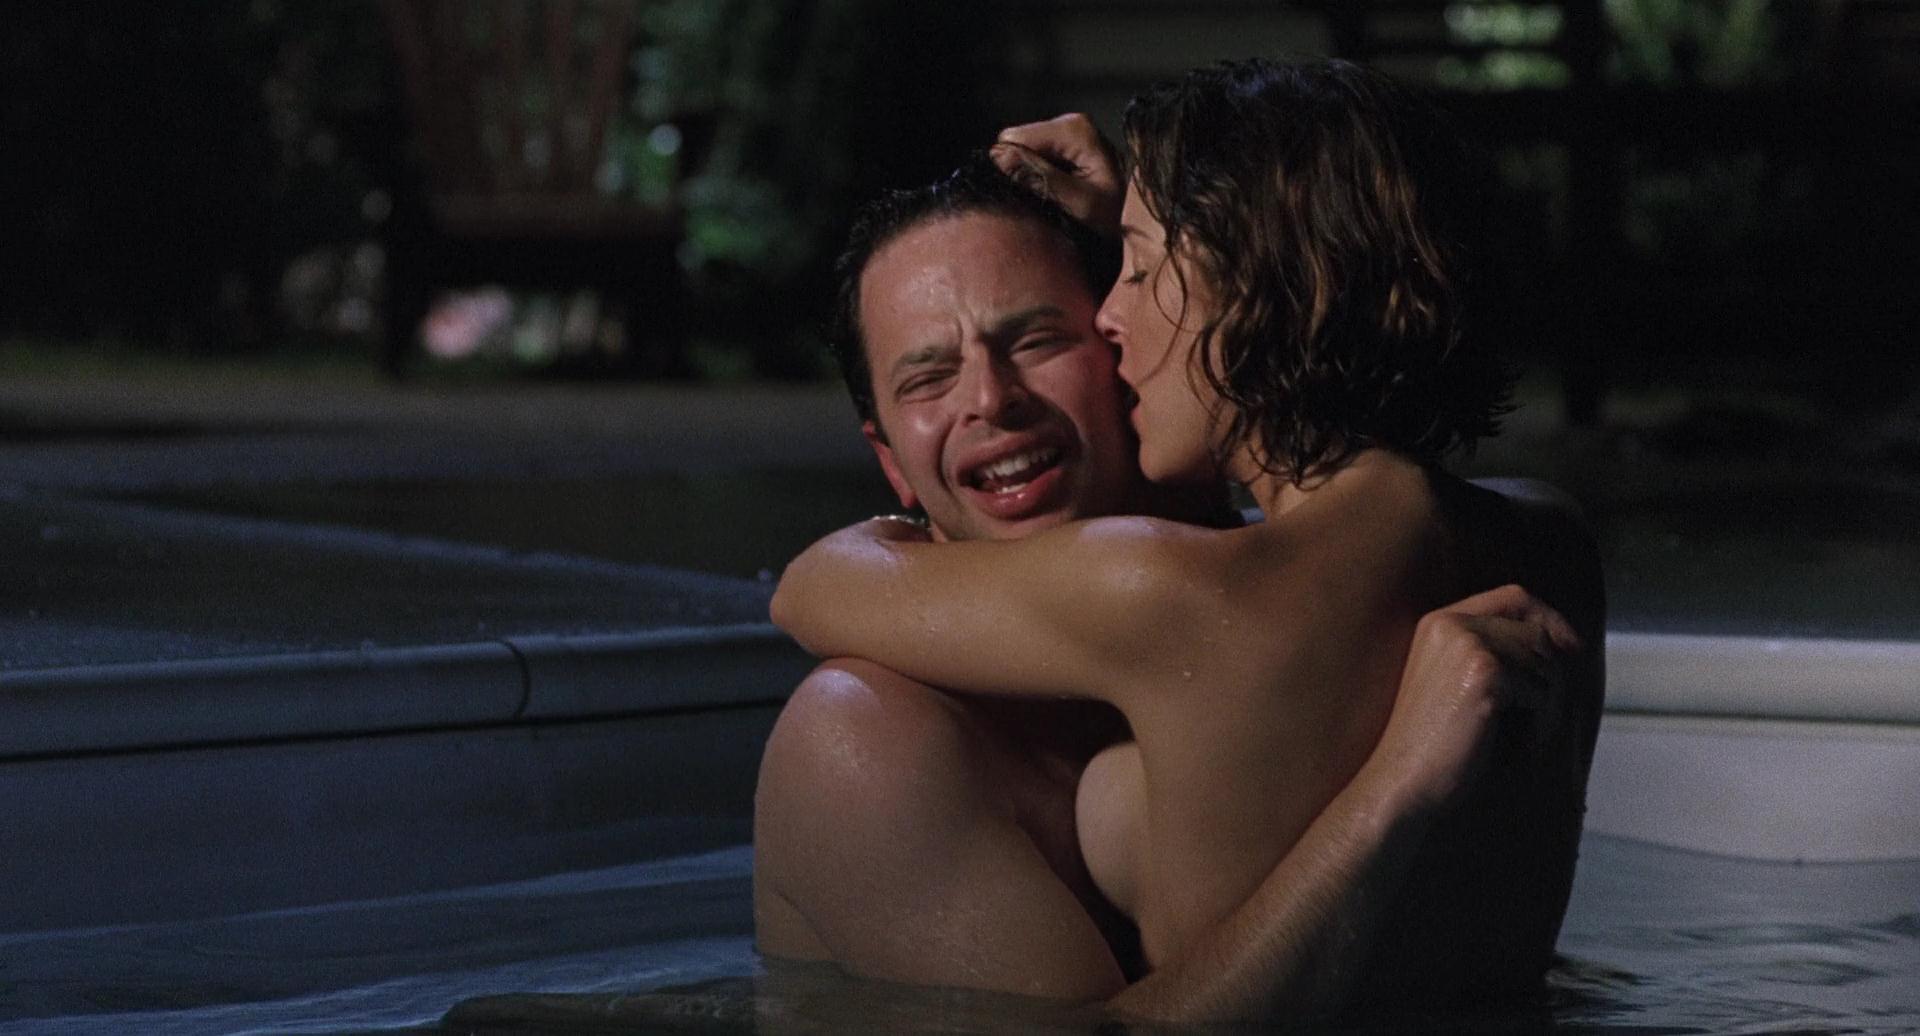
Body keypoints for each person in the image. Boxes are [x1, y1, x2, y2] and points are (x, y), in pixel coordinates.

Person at [766, 58, 1604, 1023]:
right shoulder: (1552, 547)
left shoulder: (1176, 596)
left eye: (1136, 271)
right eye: (929, 378)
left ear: (1250, 291)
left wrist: (1399, 789)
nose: (1111, 318)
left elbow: (806, 590)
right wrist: (1167, 219)